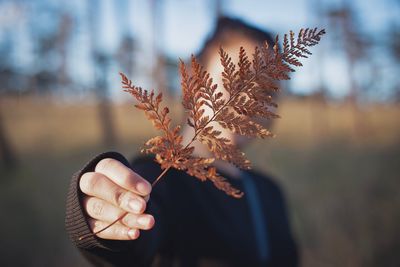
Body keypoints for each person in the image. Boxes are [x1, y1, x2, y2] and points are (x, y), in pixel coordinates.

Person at [65, 17, 298, 267]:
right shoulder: (157, 177)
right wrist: (103, 219)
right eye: (237, 80)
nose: (251, 100)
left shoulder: (269, 192)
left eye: (268, 92)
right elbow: (135, 242)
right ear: (195, 81)